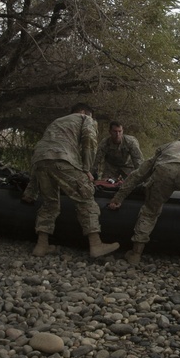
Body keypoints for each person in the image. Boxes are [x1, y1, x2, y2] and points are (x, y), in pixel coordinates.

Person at [107, 136, 180, 271]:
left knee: (149, 212)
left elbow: (138, 175)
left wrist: (117, 199)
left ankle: (135, 254)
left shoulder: (167, 146)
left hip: (163, 170)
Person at [29, 102, 119, 258]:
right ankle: (96, 244)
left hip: (40, 161)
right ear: (84, 112)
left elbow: (44, 147)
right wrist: (86, 169)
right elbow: (89, 141)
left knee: (50, 203)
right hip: (62, 158)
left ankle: (41, 245)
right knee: (86, 197)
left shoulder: (57, 122)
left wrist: (30, 190)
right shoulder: (85, 119)